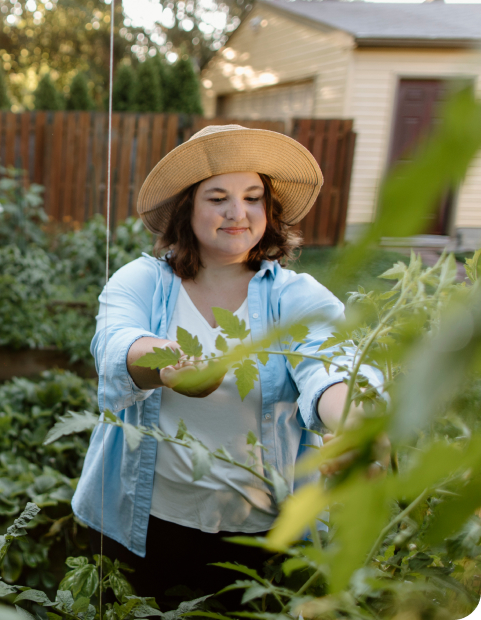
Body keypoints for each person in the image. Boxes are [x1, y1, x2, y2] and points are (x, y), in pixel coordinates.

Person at [70, 124, 384, 609]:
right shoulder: (142, 281)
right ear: (187, 209)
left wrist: (357, 422)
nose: (238, 213)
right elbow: (116, 345)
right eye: (218, 198)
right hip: (141, 525)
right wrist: (167, 363)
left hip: (258, 535)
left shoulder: (294, 296)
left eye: (253, 197)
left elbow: (331, 365)